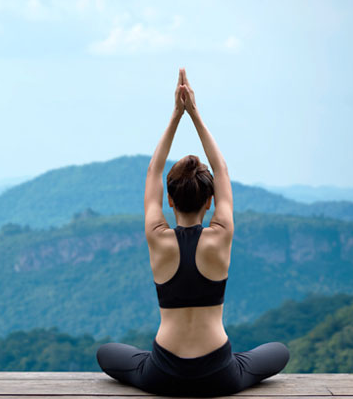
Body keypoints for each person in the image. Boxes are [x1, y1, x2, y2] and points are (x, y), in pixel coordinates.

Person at [95, 68, 290, 397]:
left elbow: (152, 170)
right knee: (279, 351)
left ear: (169, 200)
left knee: (106, 353)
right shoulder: (221, 234)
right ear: (211, 200)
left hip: (162, 372)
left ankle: (154, 363)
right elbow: (222, 169)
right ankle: (235, 363)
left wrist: (176, 114)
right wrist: (194, 113)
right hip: (219, 374)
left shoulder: (158, 237)